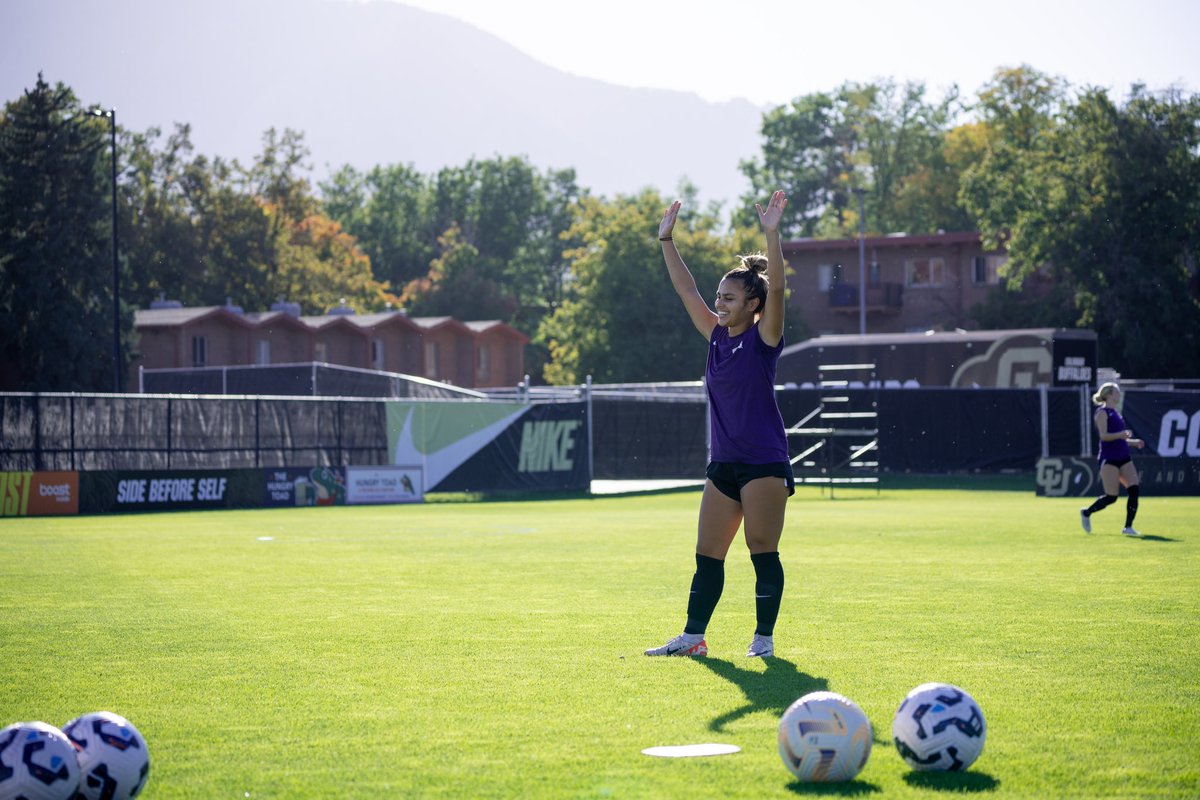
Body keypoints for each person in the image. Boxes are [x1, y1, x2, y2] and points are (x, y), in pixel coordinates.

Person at [645, 190, 794, 659]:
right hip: (723, 464)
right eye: (719, 297)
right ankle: (693, 638)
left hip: (764, 463)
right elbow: (685, 289)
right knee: (707, 553)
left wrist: (772, 234)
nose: (719, 303)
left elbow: (780, 288)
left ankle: (763, 640)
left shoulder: (764, 337)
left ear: (754, 304)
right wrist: (667, 240)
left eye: (729, 298)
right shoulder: (714, 337)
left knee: (761, 551)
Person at [1080, 382, 1145, 536]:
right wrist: (1121, 435)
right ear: (1109, 394)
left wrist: (1132, 443)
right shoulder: (1102, 413)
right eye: (1116, 391)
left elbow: (1118, 439)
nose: (1118, 393)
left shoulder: (1116, 413)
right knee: (1112, 497)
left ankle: (1128, 527)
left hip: (1124, 456)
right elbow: (1103, 436)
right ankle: (1086, 513)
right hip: (1109, 458)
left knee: (1134, 489)